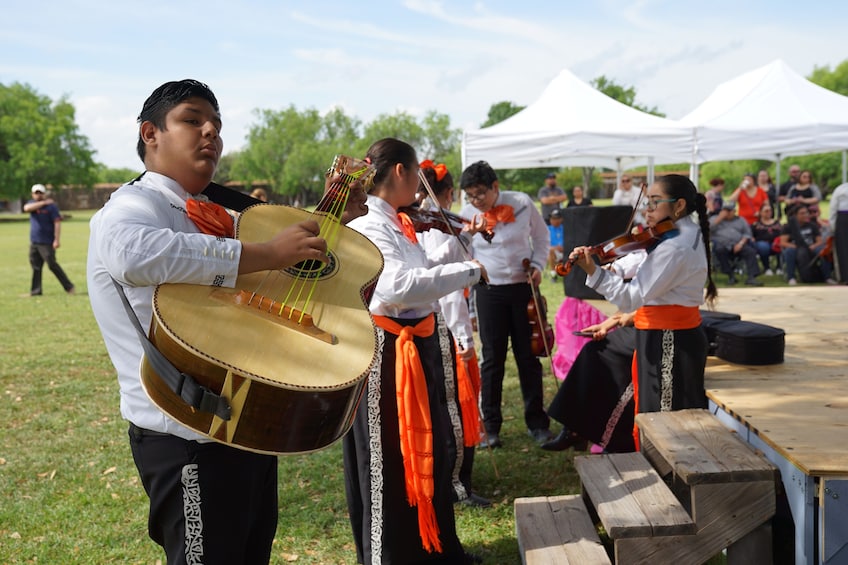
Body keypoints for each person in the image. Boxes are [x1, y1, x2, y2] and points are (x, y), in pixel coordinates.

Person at [86, 79, 367, 564]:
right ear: (150, 133)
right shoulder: (133, 207)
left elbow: (274, 276)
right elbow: (132, 253)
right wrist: (263, 252)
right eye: (192, 120)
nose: (210, 131)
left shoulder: (219, 212)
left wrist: (331, 220)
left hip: (248, 420)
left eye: (215, 123)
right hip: (184, 434)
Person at [343, 139, 487, 564]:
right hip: (386, 353)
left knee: (434, 448)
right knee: (389, 457)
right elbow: (396, 288)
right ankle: (393, 555)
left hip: (414, 344)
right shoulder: (371, 223)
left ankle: (434, 548)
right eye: (416, 178)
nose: (421, 193)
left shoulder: (397, 221)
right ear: (402, 172)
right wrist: (468, 271)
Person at [561, 174, 717, 447]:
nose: (647, 210)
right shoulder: (683, 231)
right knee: (658, 415)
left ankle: (665, 480)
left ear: (679, 205)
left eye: (655, 203)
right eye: (647, 203)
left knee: (665, 423)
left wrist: (594, 273)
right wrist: (614, 268)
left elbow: (631, 297)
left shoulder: (675, 247)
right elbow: (644, 256)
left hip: (669, 338)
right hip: (668, 333)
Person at [459, 161, 553, 448]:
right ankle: (491, 426)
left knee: (529, 357)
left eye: (480, 194)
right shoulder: (467, 215)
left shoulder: (522, 203)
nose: (476, 202)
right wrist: (471, 308)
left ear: (495, 187)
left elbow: (541, 236)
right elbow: (464, 254)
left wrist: (537, 265)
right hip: (489, 293)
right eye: (470, 196)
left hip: (524, 288)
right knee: (493, 360)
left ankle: (537, 423)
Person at [416, 158, 490, 509]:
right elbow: (432, 268)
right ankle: (458, 484)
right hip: (443, 321)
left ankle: (461, 478)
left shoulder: (439, 221)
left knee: (461, 405)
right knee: (456, 408)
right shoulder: (425, 224)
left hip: (456, 316)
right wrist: (462, 233)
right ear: (447, 195)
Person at [542, 311, 637, 453]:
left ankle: (615, 439)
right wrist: (607, 324)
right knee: (593, 351)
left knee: (615, 357)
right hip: (643, 322)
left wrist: (632, 316)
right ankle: (575, 429)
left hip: (662, 327)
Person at [23, 183, 75, 296]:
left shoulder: (51, 207)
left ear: (44, 193)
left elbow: (57, 223)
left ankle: (69, 287)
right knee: (36, 267)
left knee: (52, 264)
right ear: (32, 194)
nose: (38, 195)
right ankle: (36, 291)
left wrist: (56, 239)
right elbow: (26, 208)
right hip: (34, 241)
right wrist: (43, 203)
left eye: (40, 193)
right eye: (36, 193)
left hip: (47, 241)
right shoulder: (33, 204)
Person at [710, 200, 763, 286]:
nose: (727, 213)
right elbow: (707, 230)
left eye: (729, 211)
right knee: (720, 250)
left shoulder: (741, 220)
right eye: (725, 210)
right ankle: (731, 276)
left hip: (738, 244)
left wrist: (741, 244)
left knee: (750, 252)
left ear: (734, 211)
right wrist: (719, 218)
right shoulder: (714, 219)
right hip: (722, 245)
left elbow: (747, 234)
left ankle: (751, 277)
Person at [780, 204, 836, 285]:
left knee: (823, 251)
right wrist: (795, 246)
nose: (805, 215)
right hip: (796, 247)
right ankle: (791, 277)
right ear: (795, 215)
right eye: (802, 213)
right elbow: (783, 242)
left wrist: (814, 246)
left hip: (811, 247)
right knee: (789, 252)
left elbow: (819, 241)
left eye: (806, 213)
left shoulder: (812, 226)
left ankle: (827, 277)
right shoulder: (788, 227)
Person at [751, 201, 783, 275]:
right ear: (761, 213)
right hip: (762, 244)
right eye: (766, 211)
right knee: (763, 246)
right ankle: (767, 268)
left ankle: (779, 267)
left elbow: (782, 234)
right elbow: (751, 236)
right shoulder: (756, 225)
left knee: (780, 244)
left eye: (770, 211)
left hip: (776, 243)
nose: (769, 213)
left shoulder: (777, 223)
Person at [830, 182, 848, 282]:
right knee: (843, 248)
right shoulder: (841, 189)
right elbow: (833, 207)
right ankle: (846, 276)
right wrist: (833, 226)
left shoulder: (840, 189)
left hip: (843, 217)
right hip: (843, 217)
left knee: (844, 247)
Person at [546, 208, 565, 281]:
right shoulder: (547, 229)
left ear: (561, 219)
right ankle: (553, 275)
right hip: (552, 253)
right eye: (552, 218)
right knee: (550, 251)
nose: (553, 220)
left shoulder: (565, 229)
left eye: (555, 218)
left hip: (565, 252)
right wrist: (555, 248)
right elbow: (545, 245)